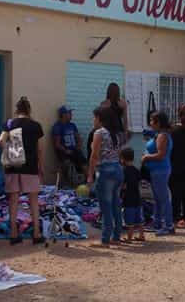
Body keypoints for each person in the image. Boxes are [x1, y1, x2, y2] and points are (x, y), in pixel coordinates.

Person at [0, 97, 45, 245]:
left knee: (14, 198)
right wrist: (41, 166)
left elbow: (1, 140)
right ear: (29, 110)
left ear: (16, 110)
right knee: (33, 199)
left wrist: (10, 152)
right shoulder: (35, 126)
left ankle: (13, 233)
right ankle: (36, 233)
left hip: (13, 166)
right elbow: (39, 149)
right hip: (30, 166)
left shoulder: (9, 123)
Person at [87, 107, 124, 247]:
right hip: (117, 169)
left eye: (94, 117)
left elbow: (94, 156)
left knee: (106, 206)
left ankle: (105, 239)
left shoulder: (99, 133)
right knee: (116, 204)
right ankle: (117, 236)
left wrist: (90, 174)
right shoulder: (116, 134)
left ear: (100, 119)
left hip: (105, 170)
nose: (93, 120)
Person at [141, 111, 175, 236]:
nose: (150, 123)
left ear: (158, 122)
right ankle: (157, 223)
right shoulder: (158, 135)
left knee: (163, 198)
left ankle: (168, 225)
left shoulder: (162, 136)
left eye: (152, 120)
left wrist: (146, 157)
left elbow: (161, 154)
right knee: (157, 198)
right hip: (156, 170)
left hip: (160, 170)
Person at [52, 106, 86, 179]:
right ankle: (67, 181)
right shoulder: (57, 126)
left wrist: (79, 145)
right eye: (69, 113)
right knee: (66, 164)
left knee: (84, 163)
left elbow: (78, 138)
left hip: (74, 150)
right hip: (64, 151)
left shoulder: (72, 125)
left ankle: (89, 180)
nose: (71, 115)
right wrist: (66, 150)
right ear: (63, 115)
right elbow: (57, 144)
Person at [120, 147, 145, 242]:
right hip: (138, 199)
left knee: (129, 222)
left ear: (122, 158)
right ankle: (141, 235)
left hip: (128, 200)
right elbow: (139, 182)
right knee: (139, 220)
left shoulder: (124, 171)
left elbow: (123, 186)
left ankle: (129, 238)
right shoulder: (136, 170)